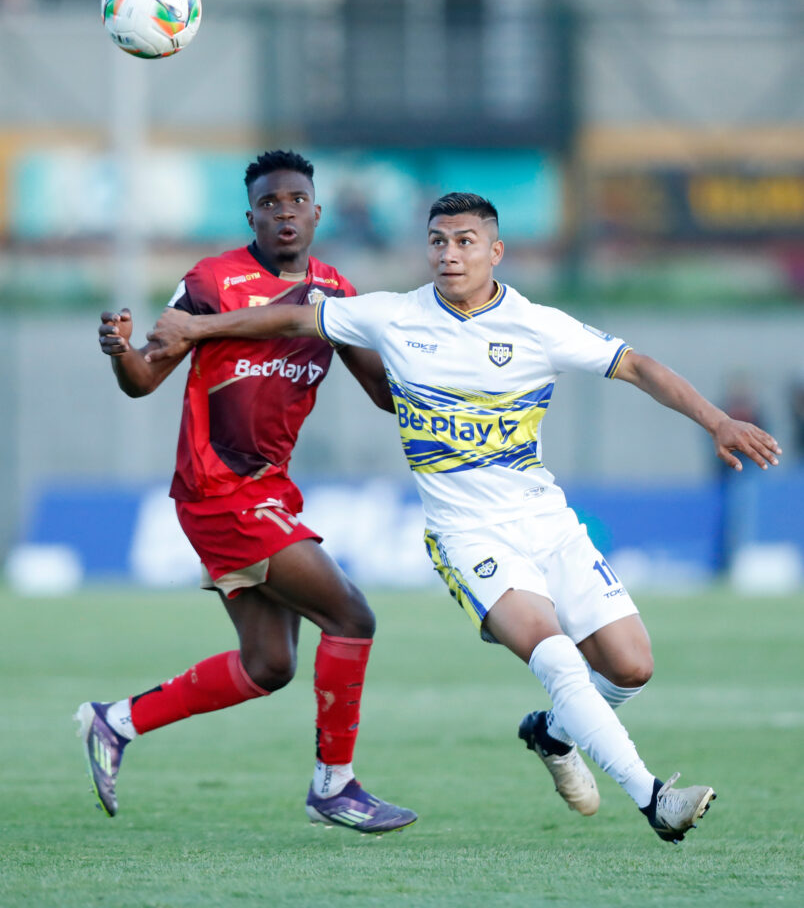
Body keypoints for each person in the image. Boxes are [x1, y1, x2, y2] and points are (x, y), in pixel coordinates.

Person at [146, 191, 783, 845]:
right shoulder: (393, 317)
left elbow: (638, 365)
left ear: (495, 251)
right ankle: (655, 799)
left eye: (466, 241)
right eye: (439, 241)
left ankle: (552, 735)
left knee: (630, 666)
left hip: (548, 523)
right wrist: (195, 329)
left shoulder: (537, 325)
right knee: (559, 660)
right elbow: (292, 320)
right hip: (467, 535)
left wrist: (718, 419)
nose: (450, 254)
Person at [75, 149, 417, 834]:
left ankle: (115, 722)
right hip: (217, 489)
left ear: (316, 212)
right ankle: (335, 786)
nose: (284, 212)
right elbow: (146, 380)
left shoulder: (335, 292)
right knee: (352, 617)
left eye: (296, 200)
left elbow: (383, 394)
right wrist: (121, 354)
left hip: (269, 490)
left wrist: (432, 367)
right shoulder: (211, 281)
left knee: (268, 665)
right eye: (270, 203)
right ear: (251, 215)